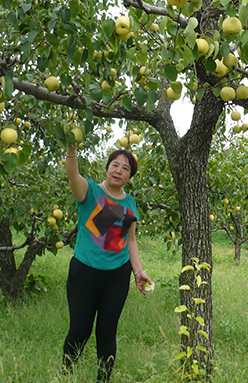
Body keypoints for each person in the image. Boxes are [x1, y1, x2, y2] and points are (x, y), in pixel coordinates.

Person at [62, 144, 152, 382]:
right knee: (80, 331)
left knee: (107, 333)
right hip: (84, 272)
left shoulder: (130, 203)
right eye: (115, 165)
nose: (119, 170)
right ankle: (66, 374)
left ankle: (103, 379)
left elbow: (130, 240)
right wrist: (72, 152)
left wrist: (138, 271)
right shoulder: (90, 191)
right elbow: (73, 176)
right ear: (107, 167)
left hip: (116, 276)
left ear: (129, 176)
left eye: (125, 168)